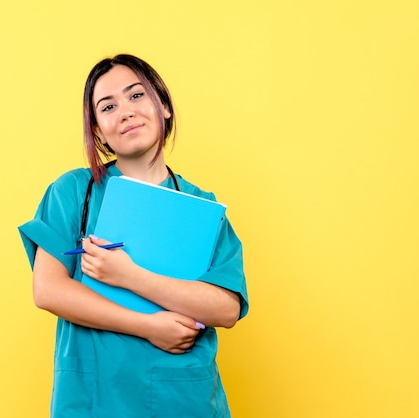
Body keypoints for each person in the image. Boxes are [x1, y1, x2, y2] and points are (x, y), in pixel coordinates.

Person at [18, 54, 249, 417]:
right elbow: (48, 290)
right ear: (97, 129)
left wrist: (129, 276)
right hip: (95, 398)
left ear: (164, 107)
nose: (125, 111)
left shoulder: (203, 208)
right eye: (108, 106)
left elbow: (226, 307)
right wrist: (148, 326)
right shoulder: (75, 192)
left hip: (183, 398)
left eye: (137, 96)